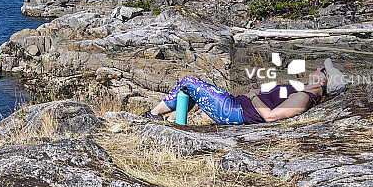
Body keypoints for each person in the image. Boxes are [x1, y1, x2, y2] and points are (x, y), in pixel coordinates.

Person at [143, 58, 347, 125]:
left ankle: (152, 116)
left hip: (236, 112)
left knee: (189, 82)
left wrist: (253, 96)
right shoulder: (302, 90)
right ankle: (174, 122)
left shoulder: (304, 98)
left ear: (323, 83)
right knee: (190, 87)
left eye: (322, 71)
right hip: (236, 105)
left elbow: (270, 116)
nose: (316, 69)